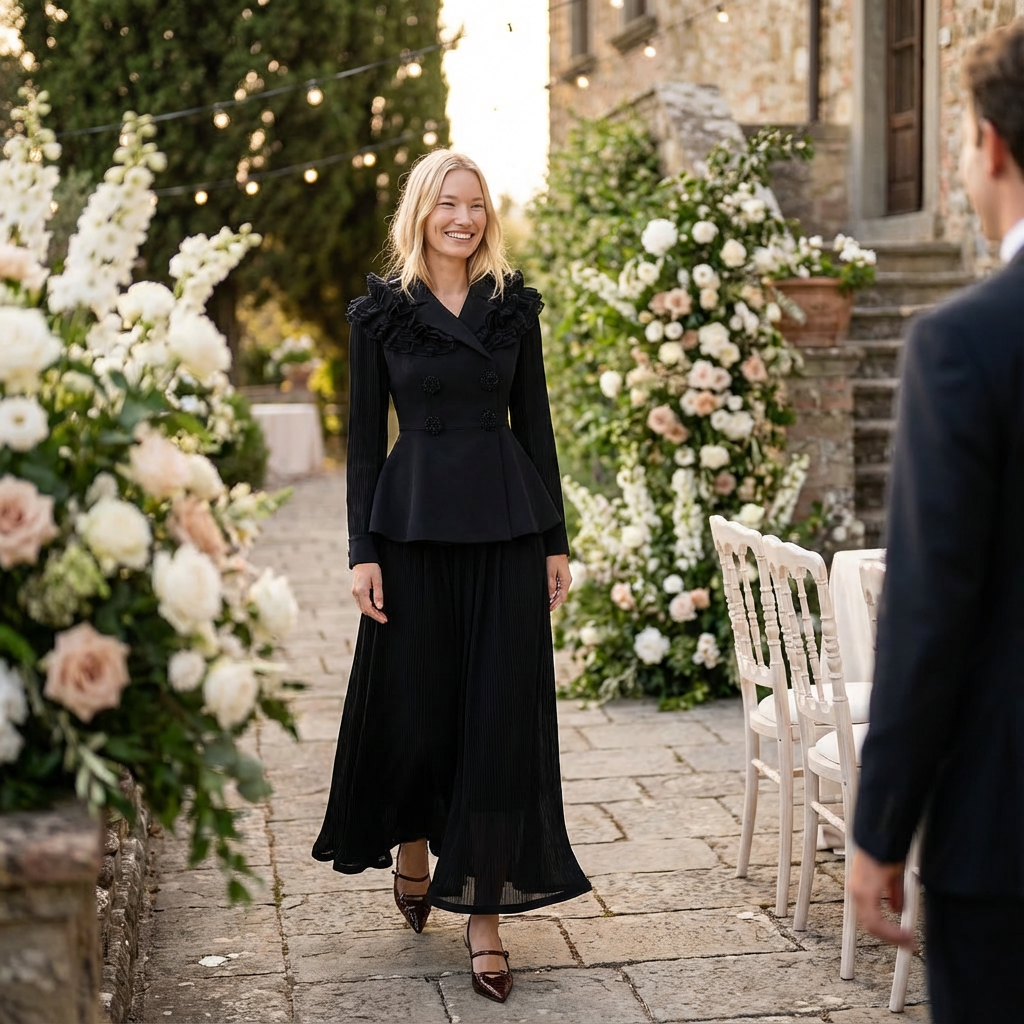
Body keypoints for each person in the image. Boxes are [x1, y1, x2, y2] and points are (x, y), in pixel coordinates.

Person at [312, 149, 591, 1004]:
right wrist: (362, 551)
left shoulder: (513, 307)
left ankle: (485, 919)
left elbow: (534, 424)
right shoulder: (381, 312)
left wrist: (555, 540)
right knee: (417, 703)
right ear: (421, 211)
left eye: (475, 205)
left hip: (507, 529)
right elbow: (364, 444)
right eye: (448, 204)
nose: (463, 219)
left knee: (499, 716)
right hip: (412, 534)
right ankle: (411, 844)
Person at [851, 19, 1024, 1022]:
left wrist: (878, 831)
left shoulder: (962, 345)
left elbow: (926, 616)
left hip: (1004, 839)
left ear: (989, 145)